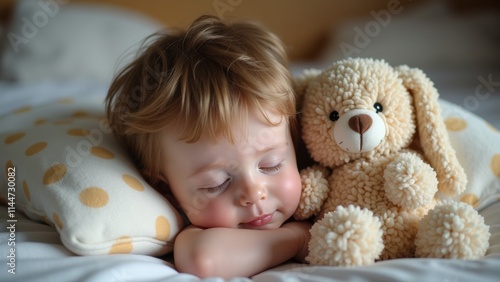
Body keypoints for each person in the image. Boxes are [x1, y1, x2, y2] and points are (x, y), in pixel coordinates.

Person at [105, 15, 311, 278]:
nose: (253, 192)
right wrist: (297, 238)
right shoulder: (199, 233)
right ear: (165, 188)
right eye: (216, 184)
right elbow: (203, 260)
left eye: (272, 165)